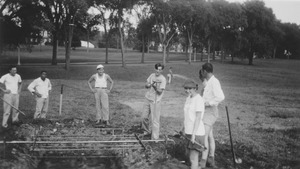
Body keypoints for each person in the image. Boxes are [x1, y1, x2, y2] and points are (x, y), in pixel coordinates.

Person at [199, 63, 225, 168]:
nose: (202, 73)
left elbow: (221, 97)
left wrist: (208, 103)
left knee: (204, 135)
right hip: (206, 111)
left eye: (202, 71)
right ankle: (211, 158)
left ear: (205, 71)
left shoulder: (214, 82)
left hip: (211, 111)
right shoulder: (208, 82)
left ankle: (203, 162)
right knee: (210, 136)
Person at [181, 81, 205, 169]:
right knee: (189, 157)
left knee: (193, 158)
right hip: (189, 131)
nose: (187, 90)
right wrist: (183, 128)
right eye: (186, 88)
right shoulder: (188, 98)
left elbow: (198, 118)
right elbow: (187, 116)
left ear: (195, 88)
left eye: (190, 88)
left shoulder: (198, 100)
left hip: (197, 132)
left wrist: (194, 135)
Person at [141, 63, 166, 140]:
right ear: (155, 69)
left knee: (155, 120)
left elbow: (160, 92)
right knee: (144, 117)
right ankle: (146, 131)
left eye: (160, 69)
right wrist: (148, 85)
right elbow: (146, 84)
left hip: (155, 101)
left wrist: (155, 86)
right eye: (157, 69)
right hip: (148, 98)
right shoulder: (152, 75)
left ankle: (155, 138)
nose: (158, 71)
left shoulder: (163, 79)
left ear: (162, 70)